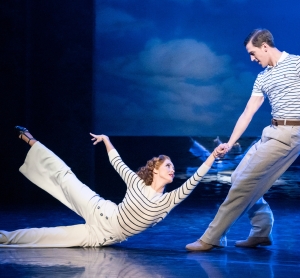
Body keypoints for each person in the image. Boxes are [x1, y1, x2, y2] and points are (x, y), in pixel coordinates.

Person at [0, 126, 225, 247]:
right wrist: (107, 139)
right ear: (155, 169)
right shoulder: (136, 182)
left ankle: (3, 237)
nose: (172, 169)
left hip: (101, 236)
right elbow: (117, 162)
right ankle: (30, 140)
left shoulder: (168, 200)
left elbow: (194, 179)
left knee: (47, 237)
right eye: (168, 165)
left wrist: (213, 156)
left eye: (173, 167)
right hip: (99, 208)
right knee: (65, 176)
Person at [186, 28, 300, 251]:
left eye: (253, 53)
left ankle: (210, 238)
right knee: (238, 176)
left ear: (265, 46)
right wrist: (229, 142)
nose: (251, 58)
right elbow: (249, 111)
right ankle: (261, 232)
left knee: (245, 184)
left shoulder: (296, 64)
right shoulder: (262, 77)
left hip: (290, 133)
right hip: (271, 131)